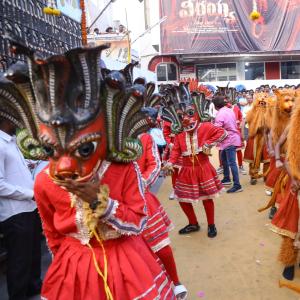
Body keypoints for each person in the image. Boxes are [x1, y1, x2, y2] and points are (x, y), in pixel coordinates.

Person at [8, 42, 175, 299]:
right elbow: (52, 235)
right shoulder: (43, 182)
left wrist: (100, 201)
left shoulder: (122, 169)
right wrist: (67, 268)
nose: (64, 167)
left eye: (83, 149)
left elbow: (139, 221)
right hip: (73, 270)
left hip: (126, 266)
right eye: (52, 150)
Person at [164, 95, 227, 238]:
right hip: (186, 171)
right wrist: (170, 163)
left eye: (190, 113)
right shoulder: (180, 135)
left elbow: (222, 132)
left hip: (203, 169)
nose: (186, 118)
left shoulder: (205, 127)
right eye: (182, 116)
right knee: (182, 198)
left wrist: (207, 144)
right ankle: (193, 223)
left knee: (207, 198)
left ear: (197, 113)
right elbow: (175, 151)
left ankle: (211, 225)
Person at [0, 117, 42, 300]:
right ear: (5, 119)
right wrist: (28, 193)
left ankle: (33, 289)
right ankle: (18, 296)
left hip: (29, 207)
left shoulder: (11, 140)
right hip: (15, 212)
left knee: (33, 253)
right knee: (19, 260)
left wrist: (28, 164)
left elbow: (13, 168)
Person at [213, 96, 243, 193]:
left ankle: (237, 185)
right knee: (224, 159)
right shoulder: (229, 110)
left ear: (215, 106)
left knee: (232, 163)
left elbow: (217, 129)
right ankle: (226, 178)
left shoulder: (220, 113)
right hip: (230, 138)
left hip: (229, 139)